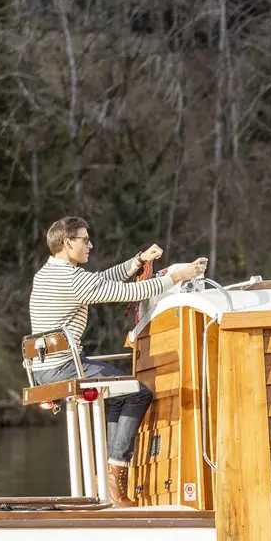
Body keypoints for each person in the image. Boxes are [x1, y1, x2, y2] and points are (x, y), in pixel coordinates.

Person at [29, 216, 206, 506]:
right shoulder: (72, 279)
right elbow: (129, 292)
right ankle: (114, 479)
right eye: (84, 239)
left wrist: (137, 261)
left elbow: (101, 281)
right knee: (136, 393)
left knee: (123, 392)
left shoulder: (48, 273)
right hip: (63, 367)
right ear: (67, 243)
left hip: (45, 368)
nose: (90, 244)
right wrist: (178, 276)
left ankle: (108, 477)